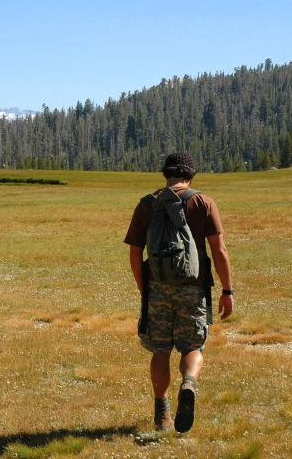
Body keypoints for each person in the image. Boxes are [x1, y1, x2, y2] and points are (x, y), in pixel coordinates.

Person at [123, 152, 234, 433]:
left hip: (157, 288)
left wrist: (144, 288)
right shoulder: (203, 202)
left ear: (166, 173)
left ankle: (162, 415)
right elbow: (219, 252)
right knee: (192, 347)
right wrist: (227, 290)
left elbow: (135, 253)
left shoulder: (147, 204)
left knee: (160, 351)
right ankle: (189, 383)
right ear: (190, 174)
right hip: (193, 288)